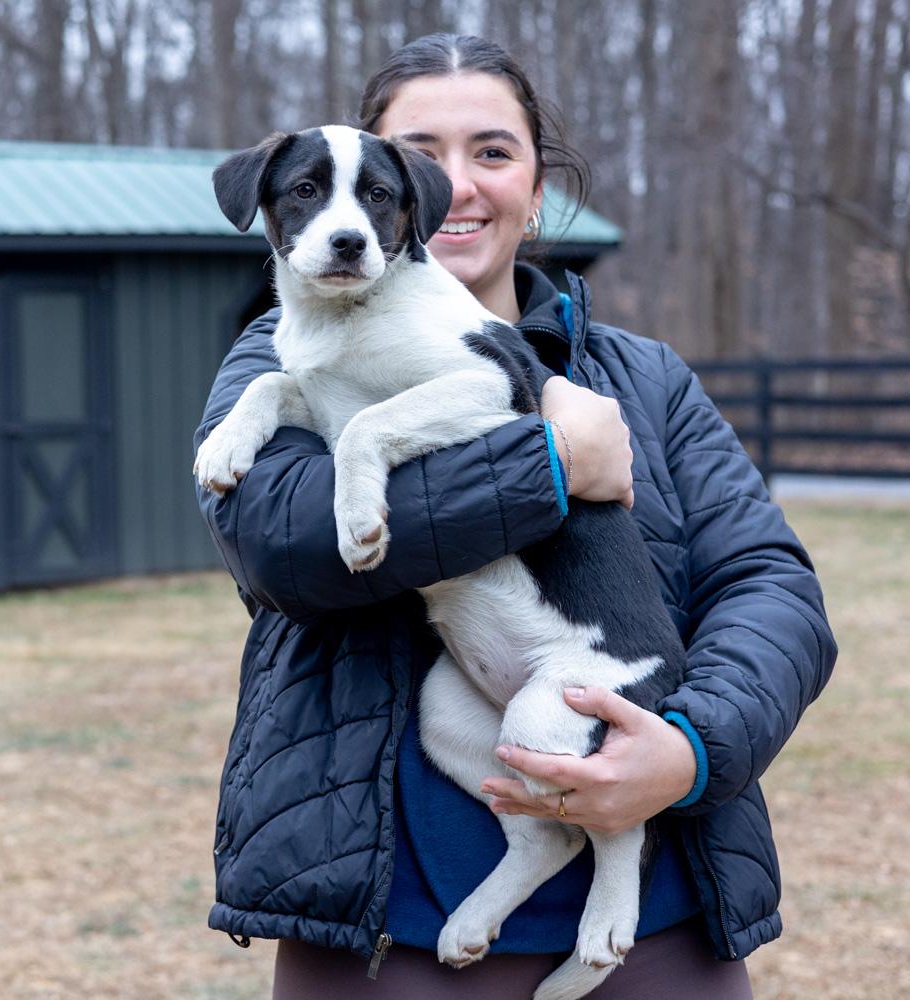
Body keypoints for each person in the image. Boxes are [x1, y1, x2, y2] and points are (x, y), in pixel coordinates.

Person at [194, 33, 836, 1000]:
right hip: (377, 928)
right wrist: (550, 461)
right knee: (462, 720)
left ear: (536, 192)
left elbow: (771, 585)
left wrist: (691, 749)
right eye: (423, 148)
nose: (457, 184)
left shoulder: (646, 377)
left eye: (493, 153)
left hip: (667, 925)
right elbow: (283, 545)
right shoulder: (273, 359)